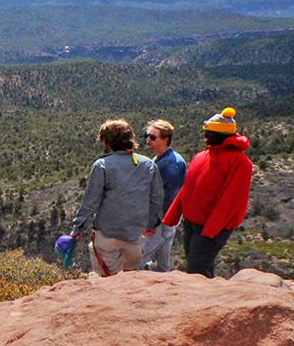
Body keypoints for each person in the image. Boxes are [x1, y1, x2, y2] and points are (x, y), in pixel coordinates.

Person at [161, 106, 254, 277]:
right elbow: (188, 186)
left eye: (210, 133)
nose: (205, 136)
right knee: (198, 265)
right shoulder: (204, 155)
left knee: (196, 270)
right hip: (191, 221)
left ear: (223, 135)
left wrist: (212, 230)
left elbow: (232, 199)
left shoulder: (240, 162)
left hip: (211, 226)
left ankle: (199, 302)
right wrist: (174, 214)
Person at [70, 119, 163, 277]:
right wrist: (152, 224)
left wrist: (78, 228)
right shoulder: (148, 165)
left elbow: (90, 202)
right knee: (130, 277)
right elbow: (156, 199)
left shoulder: (102, 165)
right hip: (135, 236)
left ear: (107, 141)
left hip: (107, 235)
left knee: (108, 281)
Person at [139, 119, 186, 271]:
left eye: (153, 137)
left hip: (161, 222)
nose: (148, 139)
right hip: (166, 220)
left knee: (138, 260)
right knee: (162, 265)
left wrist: (151, 224)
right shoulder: (162, 159)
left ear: (165, 140)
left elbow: (165, 198)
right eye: (147, 135)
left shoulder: (172, 164)